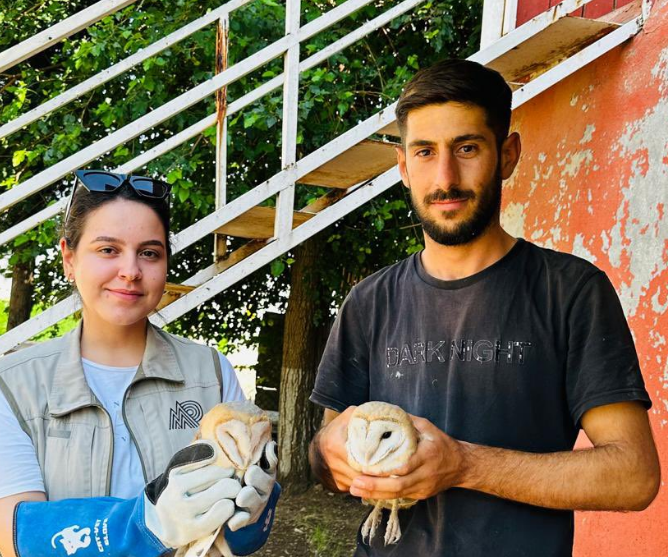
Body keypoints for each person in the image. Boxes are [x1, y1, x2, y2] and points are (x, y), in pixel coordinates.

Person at [308, 59, 661, 556]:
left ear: (508, 154)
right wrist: (330, 458)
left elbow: (634, 474)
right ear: (403, 168)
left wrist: (464, 464)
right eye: (425, 153)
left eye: (467, 148)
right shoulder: (369, 302)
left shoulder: (571, 291)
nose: (445, 177)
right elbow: (326, 456)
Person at [0, 169, 279, 557]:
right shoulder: (12, 385)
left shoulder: (210, 373)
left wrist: (249, 520)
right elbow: (14, 534)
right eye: (108, 250)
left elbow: (234, 532)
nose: (130, 271)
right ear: (68, 257)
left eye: (149, 253)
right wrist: (146, 523)